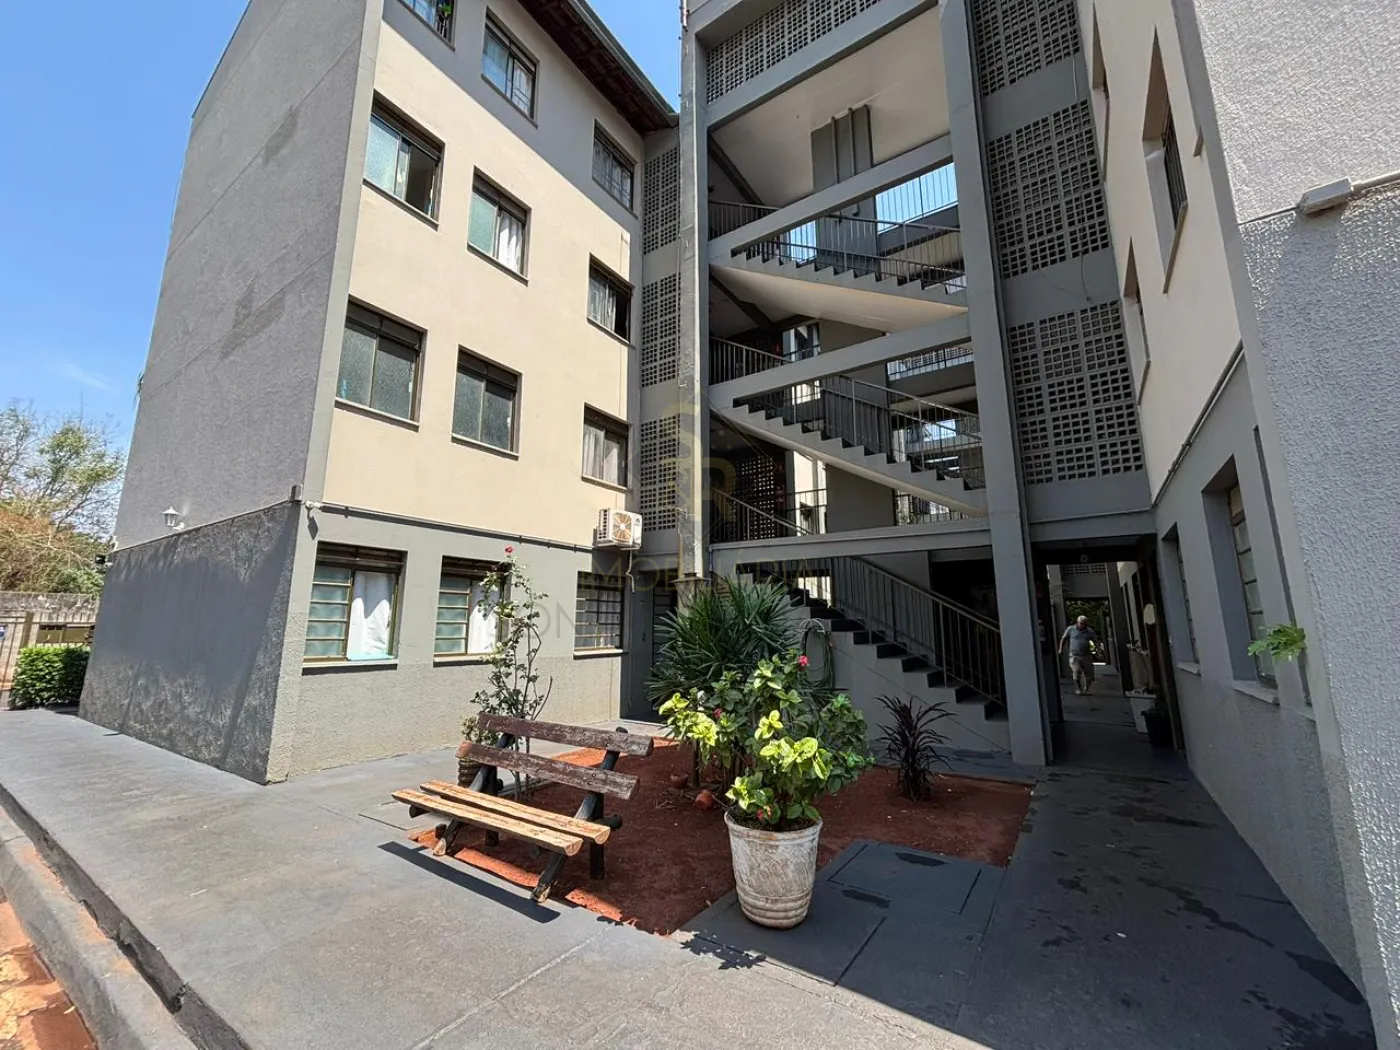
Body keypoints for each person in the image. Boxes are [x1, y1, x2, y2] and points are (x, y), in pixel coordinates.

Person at [1059, 615, 1100, 695]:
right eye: (1081, 623)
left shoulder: (1089, 631)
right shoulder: (1071, 629)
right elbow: (1063, 639)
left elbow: (1095, 641)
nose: (1083, 625)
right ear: (1077, 623)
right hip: (1074, 655)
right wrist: (1061, 649)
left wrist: (1098, 652)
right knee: (1077, 671)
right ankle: (1079, 689)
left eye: (1084, 624)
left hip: (1086, 655)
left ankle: (1086, 689)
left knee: (1090, 675)